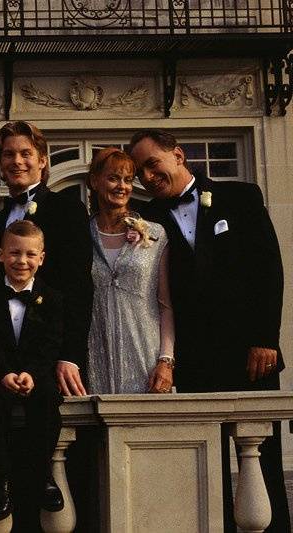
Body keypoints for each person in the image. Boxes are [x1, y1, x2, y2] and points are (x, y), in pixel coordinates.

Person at [128, 129, 289, 532]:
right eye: (139, 171)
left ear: (178, 155)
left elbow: (267, 269)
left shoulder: (241, 197)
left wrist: (265, 338)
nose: (147, 176)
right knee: (206, 466)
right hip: (195, 361)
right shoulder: (147, 218)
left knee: (262, 461)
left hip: (250, 354)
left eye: (152, 164)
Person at [0, 121, 94, 531]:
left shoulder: (65, 208)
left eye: (25, 154)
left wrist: (69, 354)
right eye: (8, 155)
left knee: (45, 441)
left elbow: (79, 285)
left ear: (43, 162)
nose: (16, 161)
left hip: (48, 354)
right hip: (5, 355)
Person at [0, 220, 64, 524]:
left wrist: (32, 374)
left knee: (50, 399)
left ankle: (44, 476)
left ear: (41, 258)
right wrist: (3, 373)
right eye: (14, 253)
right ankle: (2, 480)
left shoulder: (52, 298)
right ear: (1, 255)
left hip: (35, 374)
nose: (21, 261)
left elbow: (51, 344)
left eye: (29, 255)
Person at [86, 147, 175, 394]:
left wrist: (166, 360)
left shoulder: (155, 234)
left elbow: (165, 303)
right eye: (113, 178)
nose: (121, 186)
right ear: (95, 181)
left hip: (145, 357)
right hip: (94, 357)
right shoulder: (80, 236)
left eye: (127, 180)